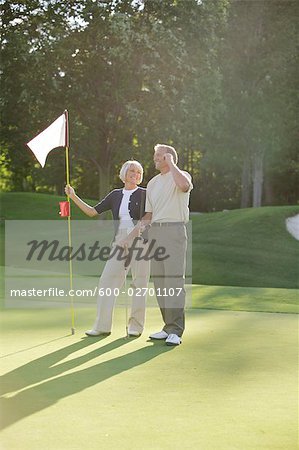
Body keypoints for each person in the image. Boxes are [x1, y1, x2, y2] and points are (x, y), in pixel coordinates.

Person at [65, 160, 150, 337]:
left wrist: (130, 237)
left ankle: (136, 326)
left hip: (140, 240)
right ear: (124, 173)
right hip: (119, 241)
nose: (135, 174)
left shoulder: (145, 194)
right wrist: (73, 196)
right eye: (132, 171)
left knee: (139, 283)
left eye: (139, 172)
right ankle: (102, 326)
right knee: (106, 281)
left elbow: (147, 219)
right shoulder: (115, 195)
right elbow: (92, 212)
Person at [139, 144, 193, 346]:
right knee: (160, 282)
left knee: (173, 281)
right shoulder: (152, 183)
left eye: (159, 156)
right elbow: (149, 214)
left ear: (169, 157)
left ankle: (176, 330)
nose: (155, 158)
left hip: (174, 230)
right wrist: (135, 233)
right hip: (155, 231)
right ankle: (167, 326)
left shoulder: (182, 175)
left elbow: (184, 186)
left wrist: (171, 163)